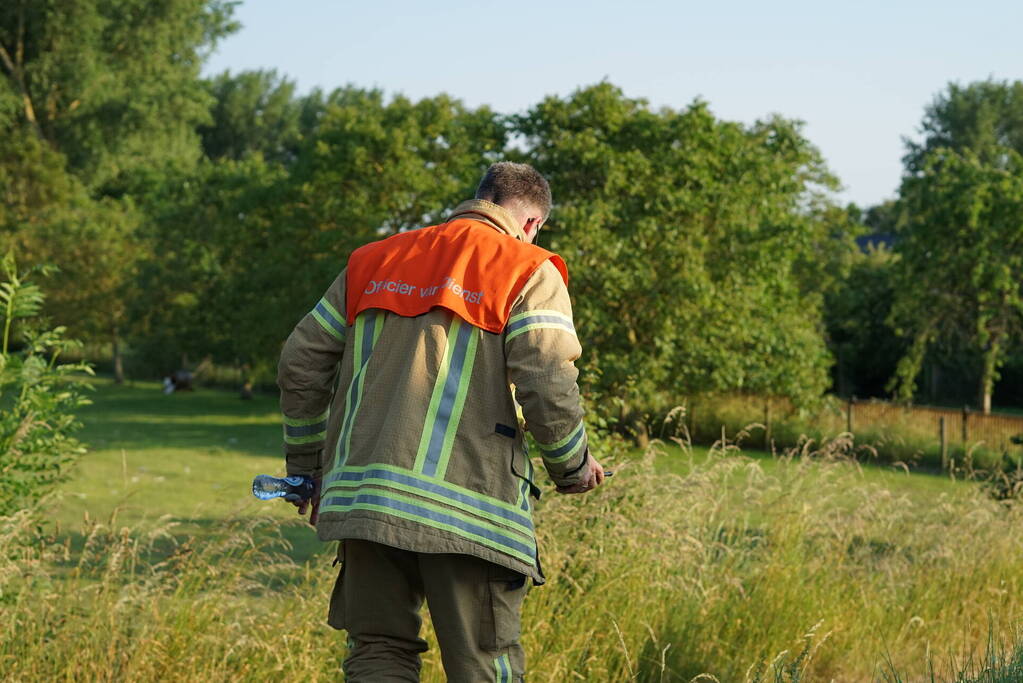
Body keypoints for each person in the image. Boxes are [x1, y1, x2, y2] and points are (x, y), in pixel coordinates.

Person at [277, 161, 605, 682]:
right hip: (469, 513)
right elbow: (546, 374)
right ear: (532, 224)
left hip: (364, 502)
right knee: (482, 663)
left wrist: (307, 469)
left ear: (477, 199)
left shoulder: (374, 261)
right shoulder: (527, 267)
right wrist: (572, 465)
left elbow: (300, 362)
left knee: (379, 654)